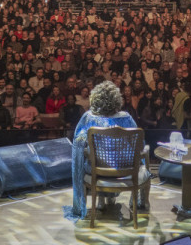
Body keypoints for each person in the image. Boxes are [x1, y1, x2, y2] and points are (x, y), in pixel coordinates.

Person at [64, 81, 150, 222]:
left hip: (96, 169)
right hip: (125, 168)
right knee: (133, 159)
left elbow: (78, 142)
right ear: (116, 98)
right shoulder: (126, 118)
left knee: (91, 157)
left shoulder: (89, 118)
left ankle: (101, 201)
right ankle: (140, 203)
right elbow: (139, 145)